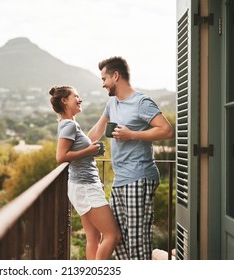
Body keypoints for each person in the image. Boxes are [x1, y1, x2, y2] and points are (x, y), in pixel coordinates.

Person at [87, 56, 174, 260]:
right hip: (120, 180)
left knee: (137, 242)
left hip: (139, 177)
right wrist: (72, 146)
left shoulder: (141, 102)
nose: (103, 84)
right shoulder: (112, 103)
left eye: (104, 78)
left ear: (115, 76)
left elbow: (166, 130)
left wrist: (132, 134)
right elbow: (96, 132)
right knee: (116, 238)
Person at [49, 85, 121, 260]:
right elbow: (61, 156)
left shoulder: (69, 124)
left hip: (81, 186)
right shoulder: (69, 126)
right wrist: (89, 151)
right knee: (113, 235)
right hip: (85, 187)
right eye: (76, 96)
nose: (80, 99)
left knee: (93, 238)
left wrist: (91, 151)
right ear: (64, 100)